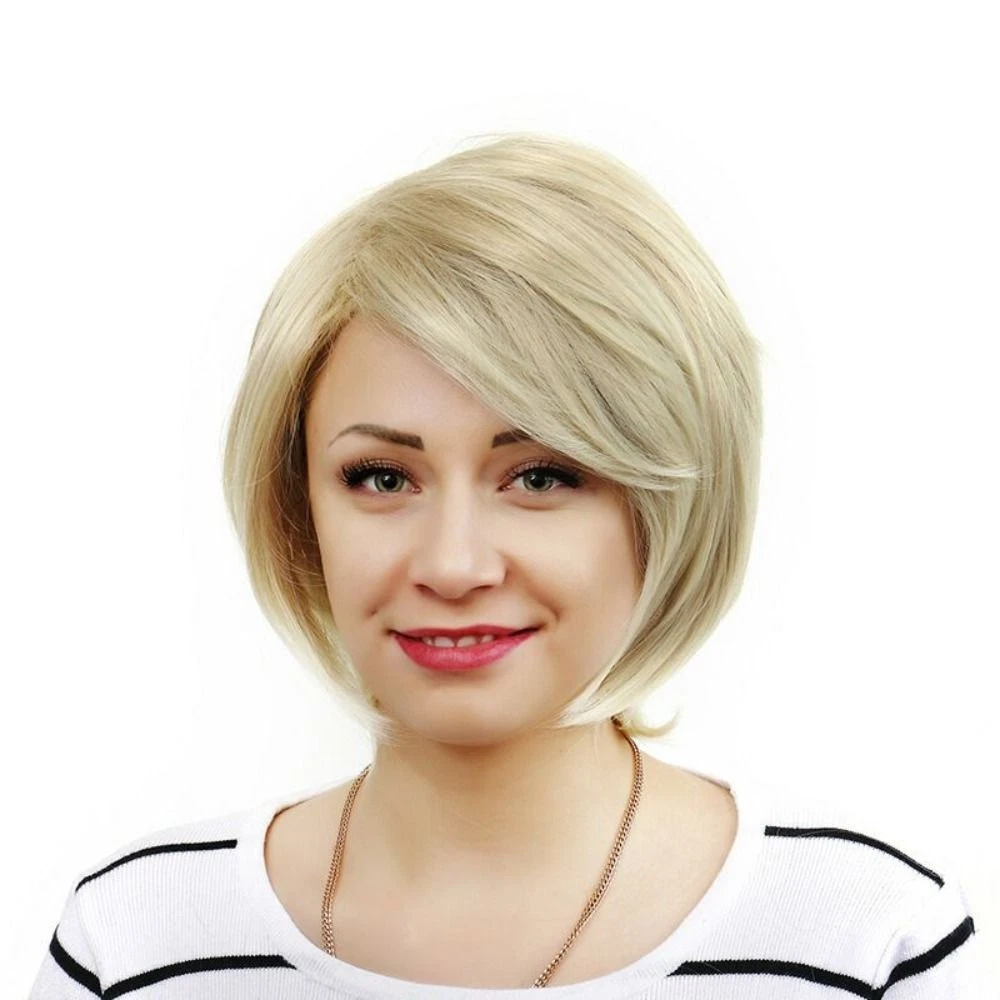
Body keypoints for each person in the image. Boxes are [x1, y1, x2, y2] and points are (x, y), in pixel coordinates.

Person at [29, 133, 988, 997]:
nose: (453, 565)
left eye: (540, 475)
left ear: (671, 500)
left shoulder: (864, 941)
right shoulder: (139, 941)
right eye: (380, 477)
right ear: (297, 508)